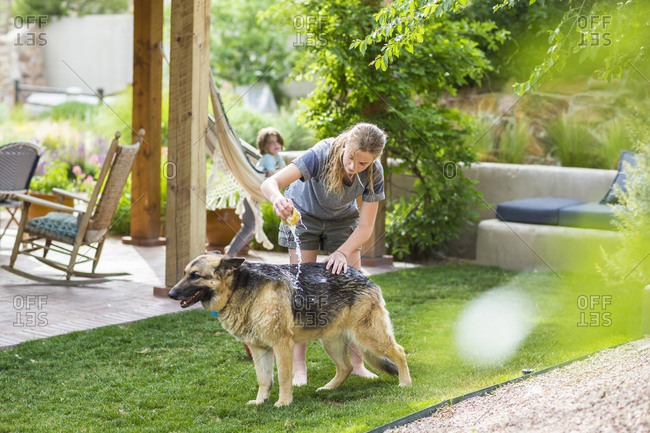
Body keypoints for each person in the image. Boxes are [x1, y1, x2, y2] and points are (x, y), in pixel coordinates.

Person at [261, 122, 387, 385]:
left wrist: (342, 252)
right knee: (301, 291)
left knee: (353, 288)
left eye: (363, 163)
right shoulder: (321, 154)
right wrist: (277, 200)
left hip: (342, 220)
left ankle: (357, 363)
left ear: (374, 160)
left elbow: (365, 227)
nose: (354, 166)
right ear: (346, 144)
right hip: (303, 215)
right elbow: (271, 182)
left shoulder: (374, 172)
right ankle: (298, 368)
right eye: (351, 157)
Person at [225, 127, 286, 256]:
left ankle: (230, 251)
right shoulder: (269, 157)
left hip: (255, 196)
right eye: (270, 142)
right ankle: (229, 255)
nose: (275, 144)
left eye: (277, 141)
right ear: (263, 147)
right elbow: (271, 176)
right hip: (250, 194)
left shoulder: (278, 158)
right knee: (249, 227)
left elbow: (283, 171)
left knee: (251, 228)